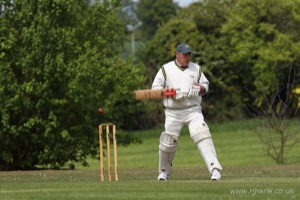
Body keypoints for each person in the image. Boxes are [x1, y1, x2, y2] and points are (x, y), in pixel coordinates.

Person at [151, 43, 222, 181]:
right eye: (184, 54)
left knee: (202, 135)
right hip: (173, 112)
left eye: (189, 54)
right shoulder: (166, 69)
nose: (187, 57)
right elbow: (155, 89)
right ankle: (163, 172)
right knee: (168, 142)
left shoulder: (196, 68)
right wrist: (171, 93)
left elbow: (206, 86)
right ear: (177, 54)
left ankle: (214, 170)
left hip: (192, 110)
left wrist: (199, 88)